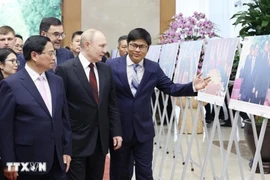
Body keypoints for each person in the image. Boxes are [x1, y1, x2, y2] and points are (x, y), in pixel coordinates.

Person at [107, 28, 210, 180]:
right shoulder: (111, 65)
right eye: (133, 45)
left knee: (145, 173)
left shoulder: (153, 68)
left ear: (148, 48)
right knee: (120, 174)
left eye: (142, 46)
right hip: (119, 132)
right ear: (127, 45)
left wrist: (192, 86)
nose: (137, 50)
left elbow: (170, 87)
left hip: (144, 131)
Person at [0, 35, 72, 180]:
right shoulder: (11, 84)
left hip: (57, 159)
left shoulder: (57, 81)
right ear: (34, 55)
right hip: (28, 160)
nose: (54, 57)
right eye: (50, 53)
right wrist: (8, 161)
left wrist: (67, 149)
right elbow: (5, 128)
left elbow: (64, 119)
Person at [55, 29, 122, 180]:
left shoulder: (105, 69)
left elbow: (112, 104)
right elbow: (60, 108)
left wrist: (116, 131)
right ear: (87, 45)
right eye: (102, 46)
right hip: (76, 142)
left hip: (100, 142)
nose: (105, 51)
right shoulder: (65, 70)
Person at [0, 48, 19, 180]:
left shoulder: (16, 83)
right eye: (11, 61)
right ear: (1, 64)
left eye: (16, 60)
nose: (16, 64)